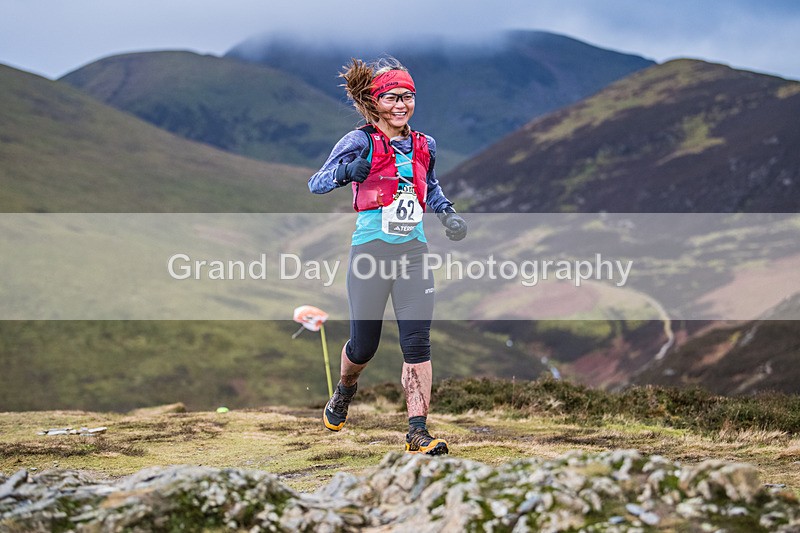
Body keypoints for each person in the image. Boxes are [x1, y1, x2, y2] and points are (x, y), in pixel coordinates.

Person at [308, 57, 467, 455]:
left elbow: (429, 185)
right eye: (393, 97)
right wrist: (346, 173)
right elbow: (316, 183)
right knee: (364, 346)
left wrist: (447, 213)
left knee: (418, 344)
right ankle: (344, 390)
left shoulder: (425, 145)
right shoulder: (358, 141)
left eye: (408, 97)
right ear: (375, 101)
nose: (401, 105)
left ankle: (417, 432)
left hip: (414, 253)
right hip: (370, 254)